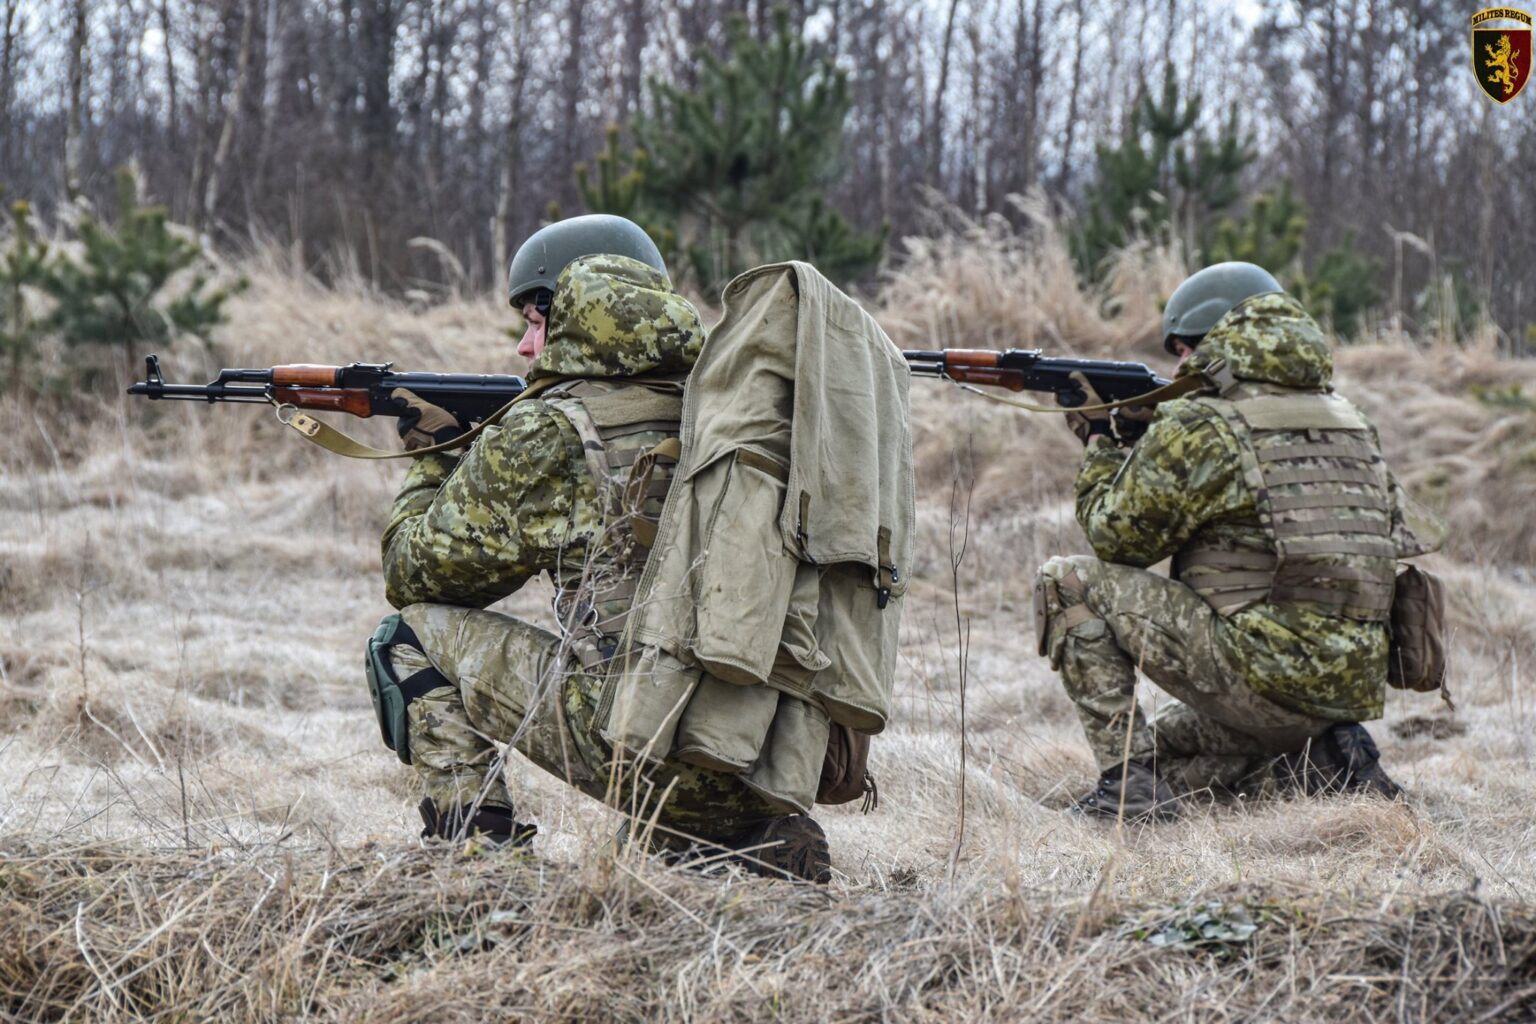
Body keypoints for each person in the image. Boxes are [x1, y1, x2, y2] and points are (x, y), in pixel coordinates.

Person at [363, 214, 832, 881]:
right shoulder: (734, 410)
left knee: (402, 637)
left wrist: (435, 460)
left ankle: (476, 857)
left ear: (579, 308)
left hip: (642, 747)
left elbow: (417, 574)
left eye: (534, 320)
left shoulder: (552, 428)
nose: (526, 349)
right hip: (766, 750)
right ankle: (740, 837)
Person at [1035, 261, 1442, 820]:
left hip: (1265, 681)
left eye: (1183, 349)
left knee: (1068, 579)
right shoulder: (1350, 421)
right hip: (1344, 689)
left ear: (1214, 340)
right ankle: (1331, 756)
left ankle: (1126, 792)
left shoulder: (1204, 423)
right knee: (1174, 754)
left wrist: (1103, 440)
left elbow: (1115, 539)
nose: (1181, 363)